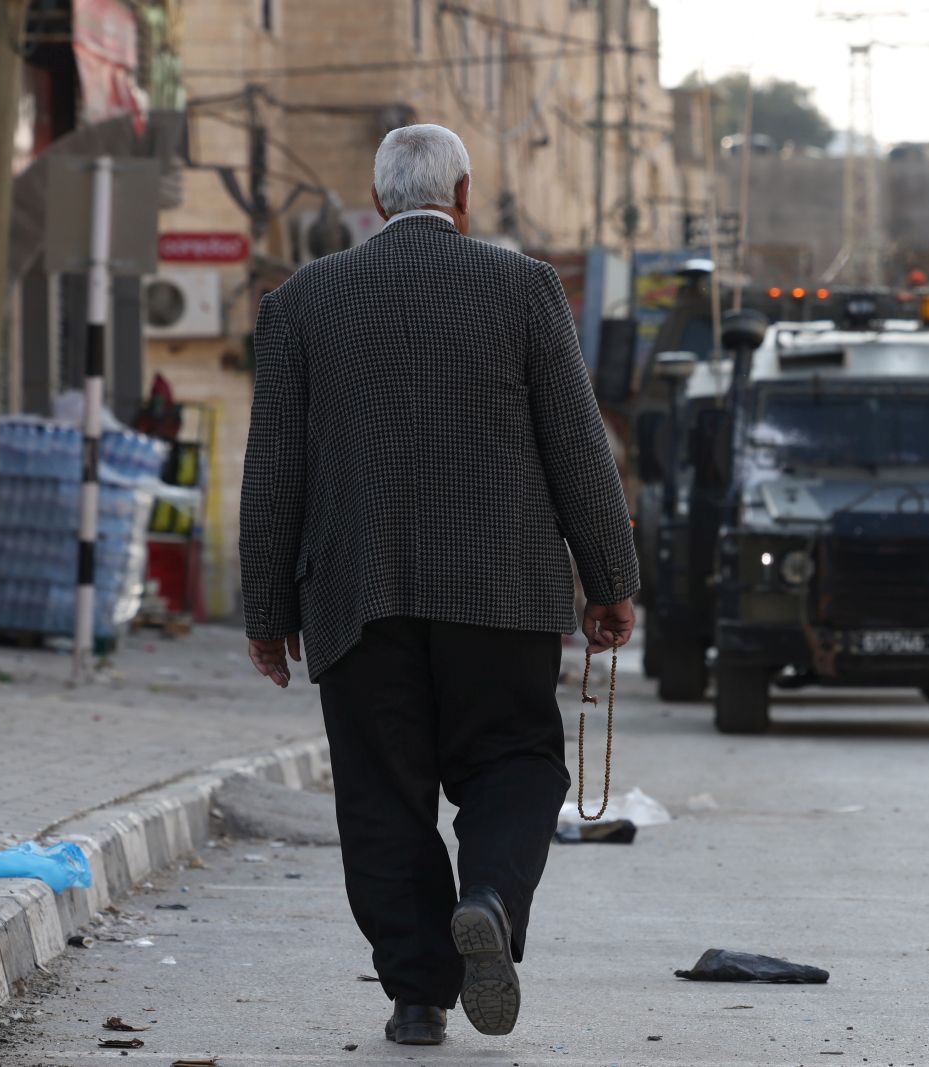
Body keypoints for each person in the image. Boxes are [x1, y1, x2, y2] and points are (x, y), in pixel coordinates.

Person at [239, 123, 638, 1048]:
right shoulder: (527, 287)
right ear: (462, 197)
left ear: (379, 203)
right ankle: (491, 896)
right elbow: (578, 446)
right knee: (515, 761)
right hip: (501, 594)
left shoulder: (303, 300)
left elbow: (274, 471)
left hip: (356, 598)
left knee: (383, 795)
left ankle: (418, 997)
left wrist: (268, 612)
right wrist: (610, 581)